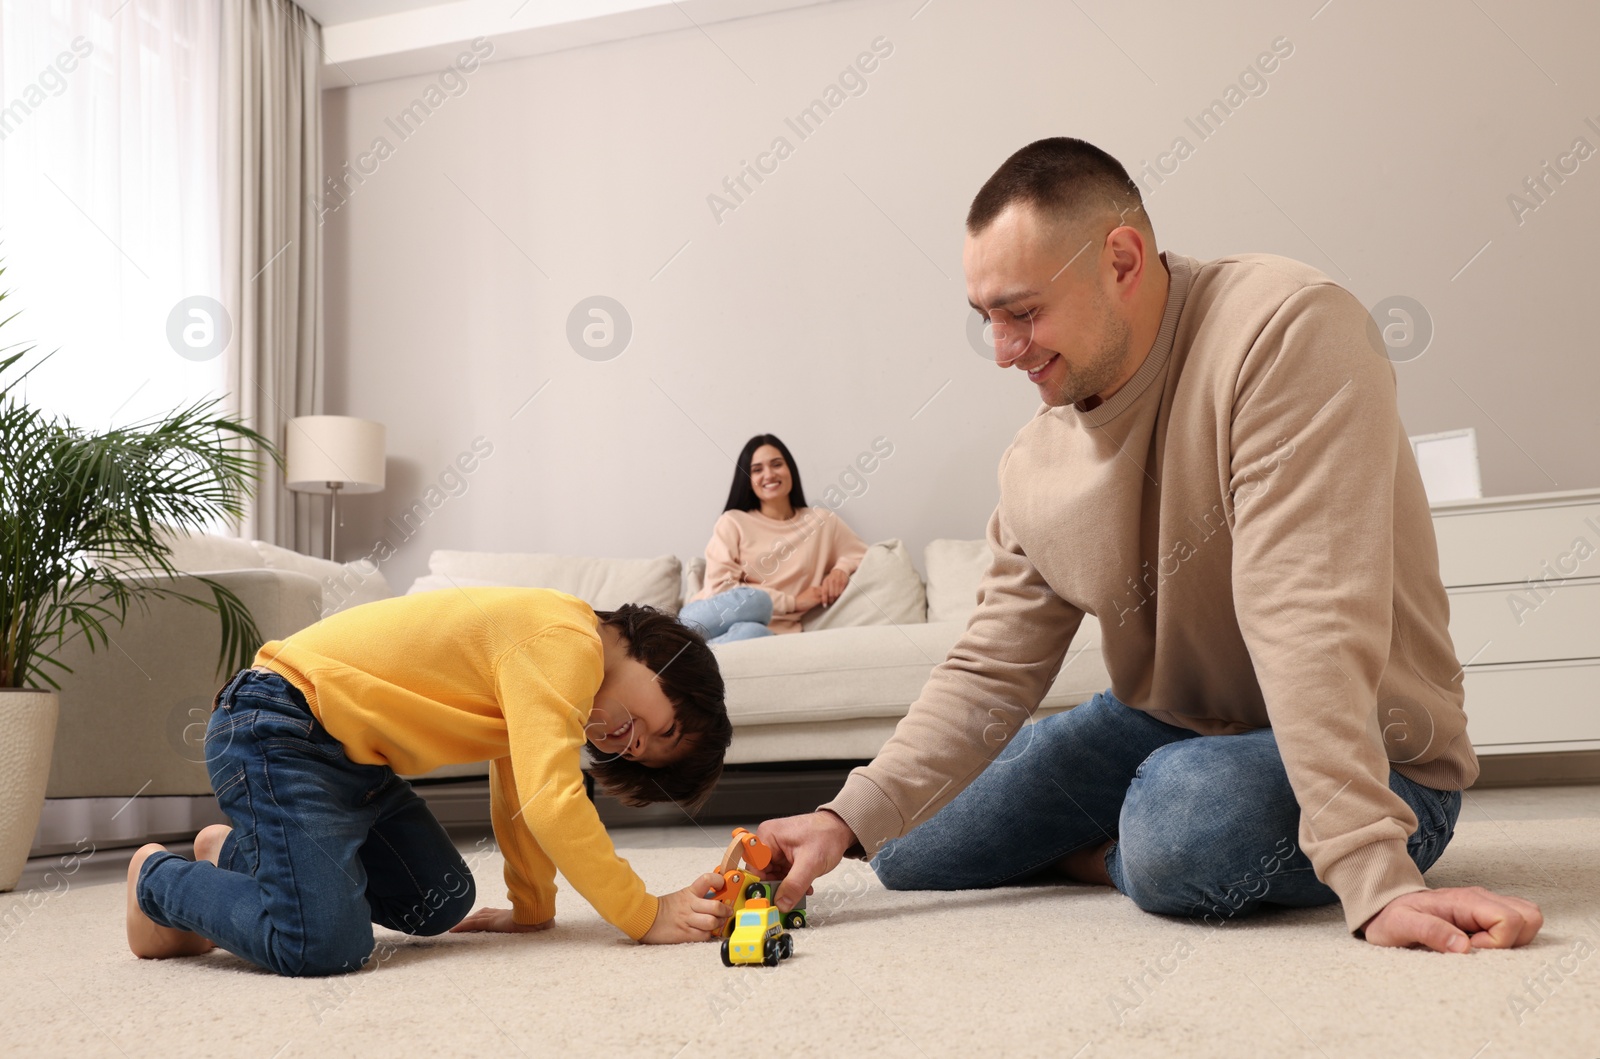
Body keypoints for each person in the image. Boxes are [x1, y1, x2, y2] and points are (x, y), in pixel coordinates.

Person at [756, 137, 1543, 954]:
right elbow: (990, 665)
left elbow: (1309, 615)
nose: (1001, 349)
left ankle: (1145, 838)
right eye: (985, 318)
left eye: (1023, 312)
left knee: (1181, 822)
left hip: (1382, 753)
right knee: (909, 846)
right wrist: (840, 816)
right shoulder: (1036, 459)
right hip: (1167, 722)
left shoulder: (1286, 331)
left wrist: (1374, 873)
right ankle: (1125, 842)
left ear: (1122, 260)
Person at [125, 591, 736, 976]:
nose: (636, 745)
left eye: (649, 755)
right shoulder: (568, 643)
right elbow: (552, 803)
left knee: (441, 900)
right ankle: (156, 879)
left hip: (352, 761)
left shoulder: (560, 675)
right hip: (277, 724)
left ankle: (234, 854)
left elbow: (519, 790)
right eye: (665, 727)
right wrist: (643, 912)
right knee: (324, 947)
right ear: (663, 655)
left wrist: (532, 910)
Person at [680, 434, 868, 645]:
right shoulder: (733, 521)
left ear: (790, 471)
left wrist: (840, 570)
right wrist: (793, 602)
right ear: (748, 481)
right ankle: (678, 649)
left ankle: (681, 663)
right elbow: (720, 587)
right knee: (758, 602)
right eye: (757, 470)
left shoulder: (821, 521)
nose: (769, 474)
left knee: (751, 634)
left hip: (768, 632)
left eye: (777, 465)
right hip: (706, 617)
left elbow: (861, 553)